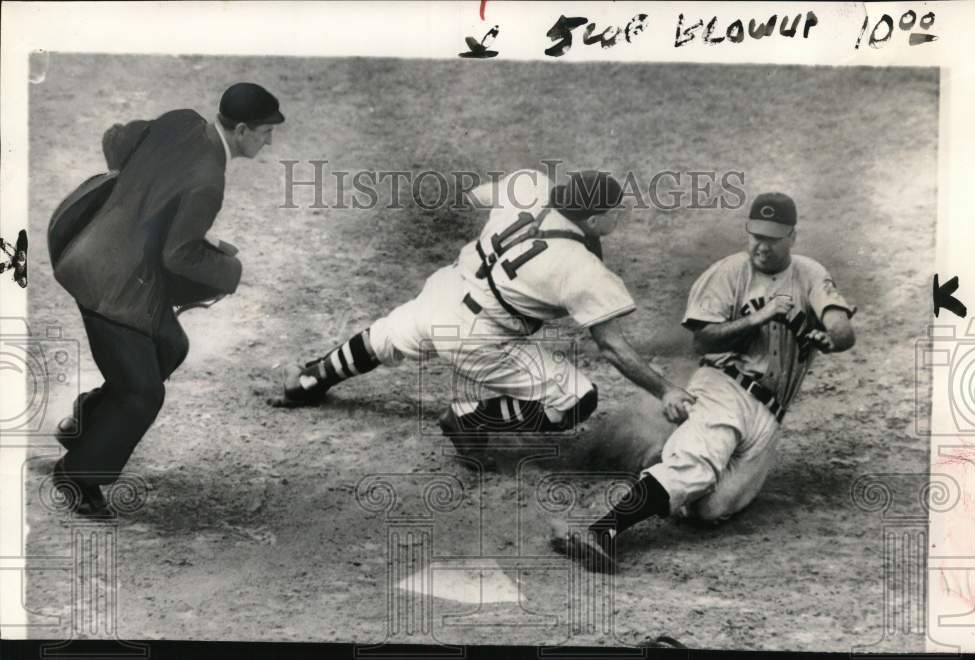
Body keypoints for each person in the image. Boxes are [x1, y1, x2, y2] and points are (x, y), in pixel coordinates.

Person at [274, 169, 695, 467]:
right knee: (576, 399)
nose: (620, 217)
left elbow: (477, 196)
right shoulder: (584, 270)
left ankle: (308, 380)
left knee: (383, 339)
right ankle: (471, 418)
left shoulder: (529, 184)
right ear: (595, 219)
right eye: (615, 213)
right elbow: (612, 347)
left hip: (445, 289)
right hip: (480, 337)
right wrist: (665, 390)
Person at [552, 192, 857, 572]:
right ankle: (602, 530)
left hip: (770, 417)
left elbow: (842, 327)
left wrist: (832, 335)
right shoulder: (728, 272)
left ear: (792, 236)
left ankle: (662, 457)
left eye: (773, 237)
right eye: (755, 234)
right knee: (695, 469)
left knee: (709, 511)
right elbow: (702, 340)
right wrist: (756, 319)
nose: (762, 245)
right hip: (724, 387)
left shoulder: (810, 273)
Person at [49, 83, 284, 517]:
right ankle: (78, 475)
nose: (269, 141)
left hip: (90, 248)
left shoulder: (183, 121)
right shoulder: (210, 181)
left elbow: (117, 139)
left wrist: (142, 203)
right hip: (111, 287)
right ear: (243, 130)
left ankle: (88, 420)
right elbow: (179, 255)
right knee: (143, 394)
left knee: (170, 346)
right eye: (267, 132)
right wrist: (229, 271)